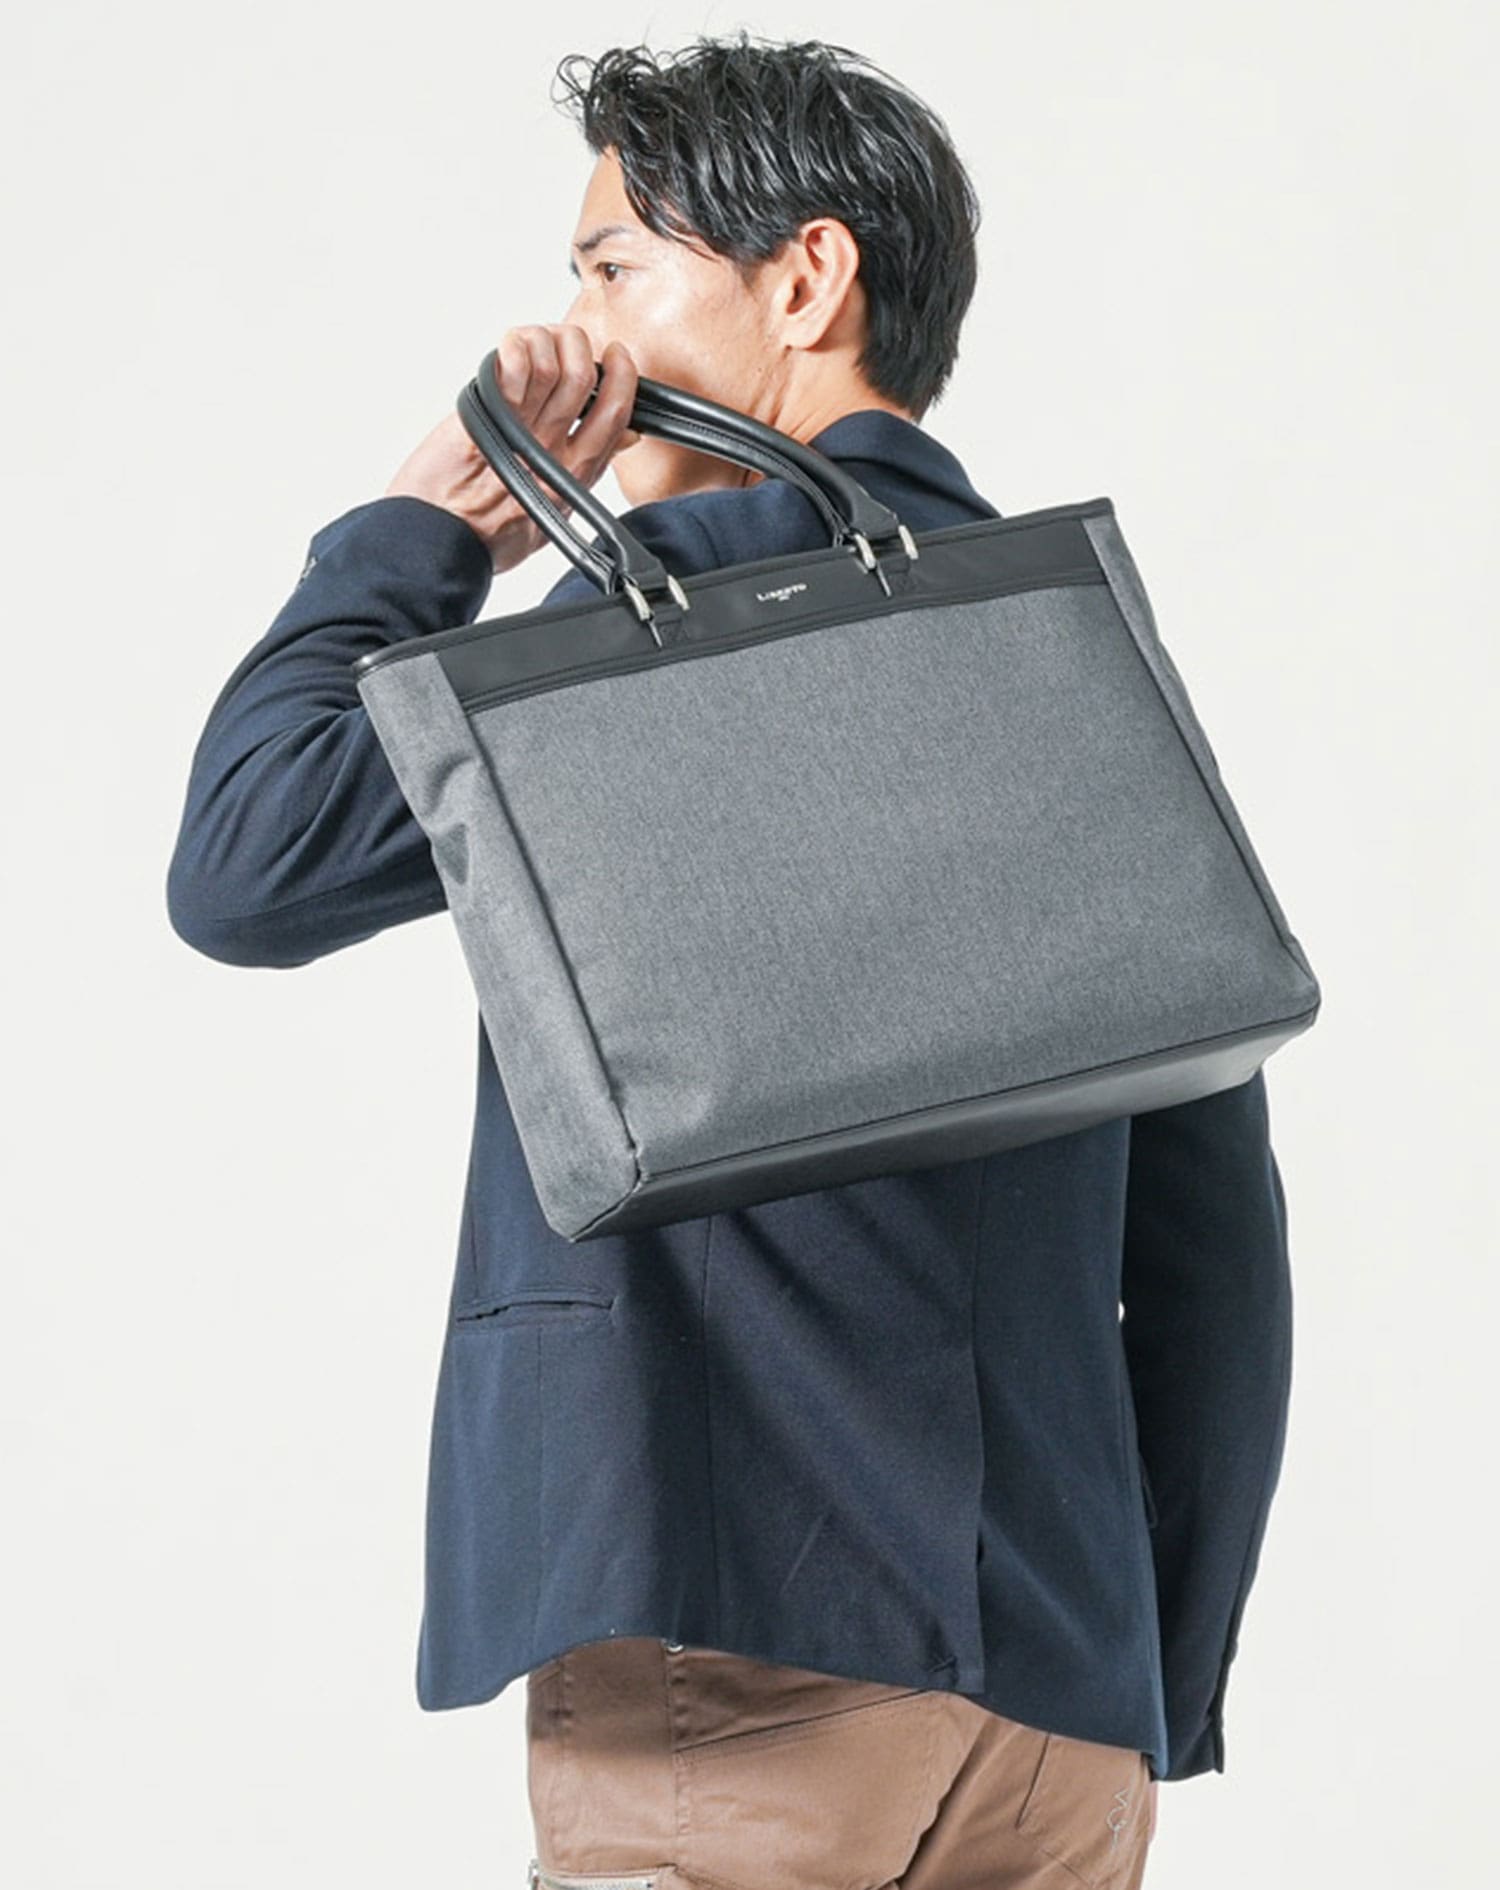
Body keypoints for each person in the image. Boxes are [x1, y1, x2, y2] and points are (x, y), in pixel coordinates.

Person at [167, 31, 1295, 1889]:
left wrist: (422, 528)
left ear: (805, 279)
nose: (577, 331)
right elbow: (1215, 1240)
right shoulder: (1068, 638)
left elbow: (247, 860)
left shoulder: (660, 630)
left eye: (615, 266)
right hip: (1066, 1716)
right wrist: (1145, 1676)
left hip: (745, 1674)